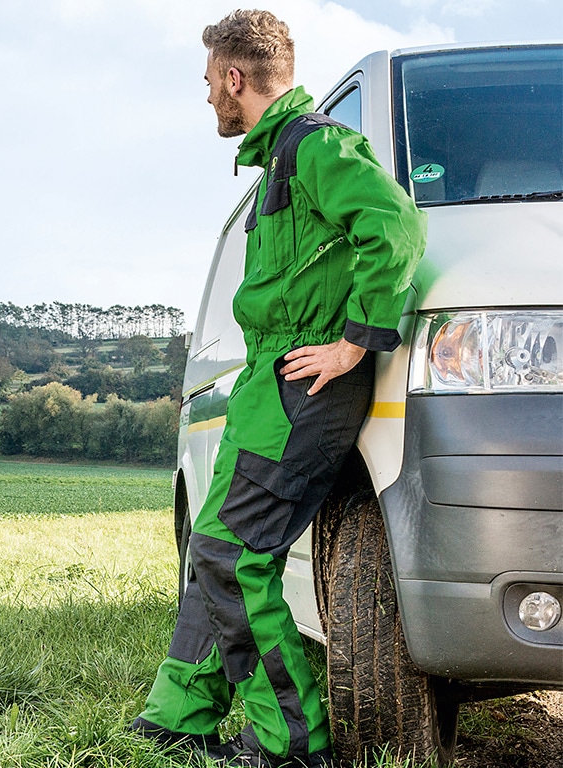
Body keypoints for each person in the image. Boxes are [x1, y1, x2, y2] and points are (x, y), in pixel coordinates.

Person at [129, 10, 426, 768]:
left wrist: (356, 342)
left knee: (234, 557)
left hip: (300, 397)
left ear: (235, 78)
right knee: (211, 547)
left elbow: (394, 225)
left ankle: (292, 741)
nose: (206, 100)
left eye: (208, 84)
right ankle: (181, 714)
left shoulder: (317, 145)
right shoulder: (276, 166)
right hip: (267, 391)